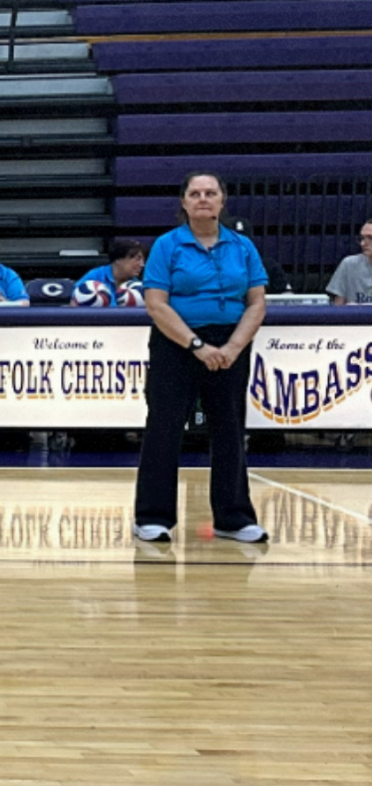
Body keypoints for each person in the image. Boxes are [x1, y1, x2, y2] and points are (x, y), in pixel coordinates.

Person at [134, 172, 269, 545]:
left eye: (211, 193)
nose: (203, 199)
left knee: (229, 430)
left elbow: (256, 303)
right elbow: (156, 305)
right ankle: (152, 517)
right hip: (177, 344)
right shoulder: (167, 246)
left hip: (231, 345)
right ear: (184, 202)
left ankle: (233, 517)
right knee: (165, 428)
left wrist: (232, 348)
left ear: (223, 201)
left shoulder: (242, 247)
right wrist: (197, 346)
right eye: (195, 193)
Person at [74, 237, 148, 306]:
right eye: (137, 259)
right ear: (118, 259)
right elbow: (74, 303)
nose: (142, 264)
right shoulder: (94, 277)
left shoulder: (138, 287)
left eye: (142, 260)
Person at [326, 218, 372, 305]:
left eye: (370, 238)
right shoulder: (349, 264)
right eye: (362, 238)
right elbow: (338, 308)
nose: (363, 243)